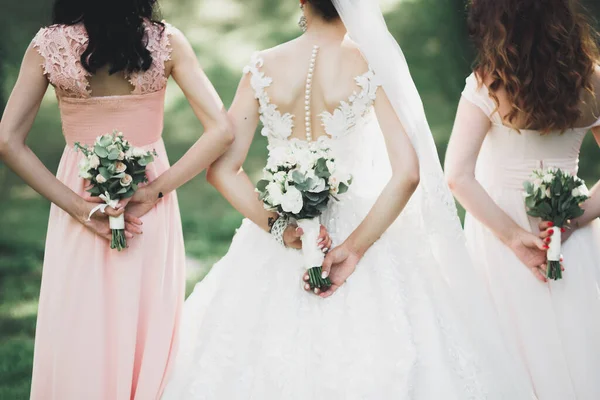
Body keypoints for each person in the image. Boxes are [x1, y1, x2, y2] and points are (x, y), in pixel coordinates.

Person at [161, 0, 536, 398]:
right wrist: (353, 249)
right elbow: (408, 173)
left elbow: (221, 170)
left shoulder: (263, 66)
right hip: (360, 230)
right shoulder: (371, 64)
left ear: (302, 1)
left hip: (282, 240)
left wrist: (277, 225)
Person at [0, 0, 232, 398]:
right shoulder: (167, 42)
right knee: (146, 318)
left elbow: (7, 140)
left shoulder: (47, 45)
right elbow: (221, 131)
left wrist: (79, 207)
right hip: (148, 203)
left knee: (80, 319)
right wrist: (154, 190)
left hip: (80, 201)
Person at [445, 0, 600, 398]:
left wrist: (514, 238)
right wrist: (575, 220)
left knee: (510, 348)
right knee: (575, 344)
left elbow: (458, 177)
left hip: (500, 229)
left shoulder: (488, 85)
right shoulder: (592, 81)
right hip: (565, 234)